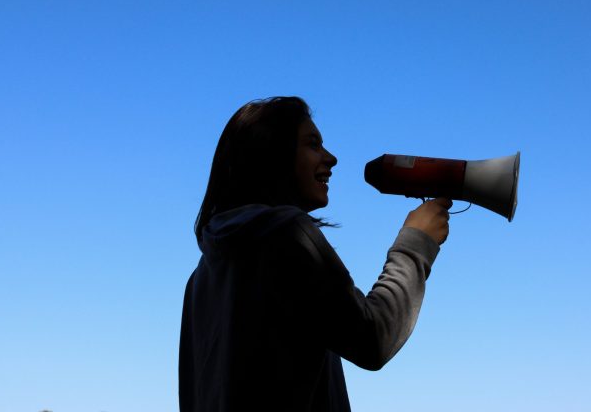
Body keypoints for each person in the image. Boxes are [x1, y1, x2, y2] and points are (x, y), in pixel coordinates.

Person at [179, 96, 451, 411]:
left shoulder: (199, 280)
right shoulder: (285, 233)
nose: (331, 158)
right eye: (313, 144)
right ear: (272, 154)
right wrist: (416, 242)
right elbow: (373, 338)